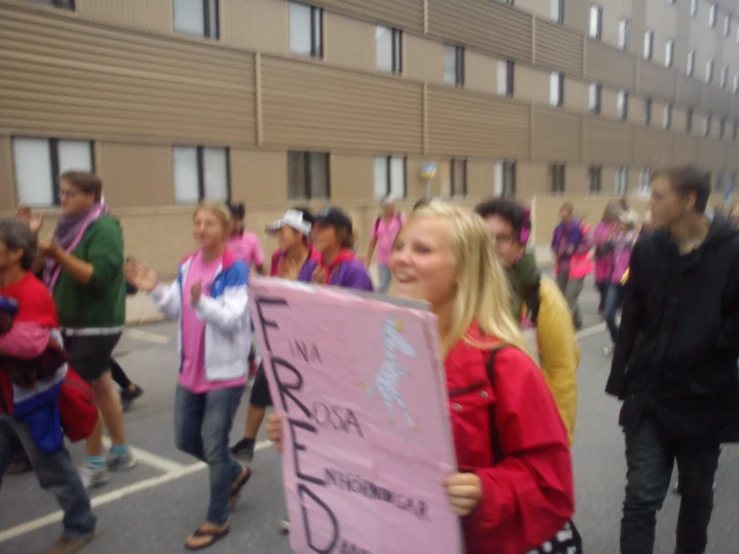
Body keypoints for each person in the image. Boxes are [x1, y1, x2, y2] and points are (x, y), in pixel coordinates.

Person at [266, 203, 577, 554]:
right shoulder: (368, 350)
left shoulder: (507, 366)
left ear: (463, 268)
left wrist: (487, 490)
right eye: (399, 246)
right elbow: (357, 438)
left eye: (422, 250)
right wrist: (303, 430)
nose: (400, 258)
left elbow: (553, 488)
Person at [606, 166, 739, 554]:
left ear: (688, 200)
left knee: (696, 498)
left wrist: (706, 342)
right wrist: (622, 376)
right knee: (641, 499)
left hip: (703, 396)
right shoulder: (647, 248)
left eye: (659, 196)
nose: (650, 203)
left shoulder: (731, 251)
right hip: (649, 394)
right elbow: (632, 315)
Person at [125, 202, 251, 550]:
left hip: (224, 374)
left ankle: (217, 519)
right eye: (197, 222)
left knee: (213, 444)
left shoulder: (234, 268)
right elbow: (174, 310)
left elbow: (232, 319)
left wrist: (201, 302)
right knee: (185, 439)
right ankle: (234, 472)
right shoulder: (188, 263)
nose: (201, 228)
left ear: (225, 231)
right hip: (191, 369)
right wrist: (155, 289)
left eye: (209, 223)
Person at [23, 171, 134, 490]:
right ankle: (122, 452)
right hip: (72, 322)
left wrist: (58, 253)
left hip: (95, 325)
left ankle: (96, 464)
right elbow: (38, 271)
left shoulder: (103, 228)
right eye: (61, 193)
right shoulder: (67, 226)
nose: (63, 199)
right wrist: (34, 241)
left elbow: (99, 279)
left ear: (90, 196)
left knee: (80, 393)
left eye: (70, 194)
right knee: (100, 385)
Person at [0, 218, 96, 554]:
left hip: (31, 401)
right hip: (3, 401)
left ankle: (80, 526)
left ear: (13, 253)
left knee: (52, 469)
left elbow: (28, 346)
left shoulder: (32, 292)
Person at [475, 199, 579, 445]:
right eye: (483, 237)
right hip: (476, 426)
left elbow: (561, 372)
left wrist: (558, 441)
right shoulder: (460, 289)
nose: (491, 245)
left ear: (520, 242)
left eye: (502, 238)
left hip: (524, 425)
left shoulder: (541, 296)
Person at [230, 208, 318, 461]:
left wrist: (296, 286)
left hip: (306, 342)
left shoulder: (316, 262)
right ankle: (247, 442)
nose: (279, 236)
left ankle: (308, 444)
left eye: (284, 231)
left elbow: (318, 302)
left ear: (301, 235)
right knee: (260, 387)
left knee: (300, 395)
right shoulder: (279, 257)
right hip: (280, 335)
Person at [300, 207, 374, 291]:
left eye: (323, 227)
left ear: (341, 234)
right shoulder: (311, 267)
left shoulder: (355, 271)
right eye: (313, 227)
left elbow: (356, 303)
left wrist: (323, 291)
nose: (315, 233)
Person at [602, 210, 638, 357]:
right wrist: (607, 241)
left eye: (622, 222)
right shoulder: (616, 238)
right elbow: (602, 252)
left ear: (629, 224)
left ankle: (626, 346)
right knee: (608, 314)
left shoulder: (634, 240)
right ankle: (618, 341)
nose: (619, 225)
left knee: (629, 316)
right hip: (614, 279)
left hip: (629, 281)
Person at [551, 203, 587, 329]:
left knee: (570, 296)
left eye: (565, 215)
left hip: (577, 267)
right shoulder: (558, 228)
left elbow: (574, 244)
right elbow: (554, 243)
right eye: (561, 215)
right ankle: (577, 321)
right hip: (562, 266)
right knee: (561, 295)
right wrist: (556, 249)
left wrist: (568, 248)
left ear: (571, 214)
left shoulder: (576, 227)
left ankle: (564, 326)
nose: (563, 218)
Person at [366, 195, 405, 294]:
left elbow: (405, 236)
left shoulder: (400, 218)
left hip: (398, 258)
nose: (392, 208)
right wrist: (368, 258)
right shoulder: (378, 221)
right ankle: (382, 304)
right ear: (384, 208)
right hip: (382, 259)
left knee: (400, 283)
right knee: (383, 284)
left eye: (393, 205)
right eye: (389, 206)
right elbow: (373, 240)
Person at [592, 202, 621, 313]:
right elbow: (593, 238)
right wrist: (597, 241)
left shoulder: (617, 225)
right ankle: (604, 299)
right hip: (600, 257)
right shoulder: (600, 225)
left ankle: (605, 302)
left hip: (612, 258)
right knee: (599, 282)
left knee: (608, 282)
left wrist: (612, 240)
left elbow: (620, 238)